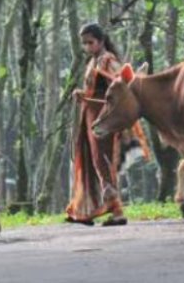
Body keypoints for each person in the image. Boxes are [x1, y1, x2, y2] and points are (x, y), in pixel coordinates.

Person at [66, 23, 150, 226]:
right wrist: (82, 94)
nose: (87, 47)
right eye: (84, 43)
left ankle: (117, 211)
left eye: (91, 42)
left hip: (103, 116)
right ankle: (87, 210)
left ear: (101, 41)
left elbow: (121, 86)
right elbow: (92, 90)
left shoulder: (107, 60)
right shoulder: (93, 61)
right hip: (89, 114)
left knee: (102, 161)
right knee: (90, 160)